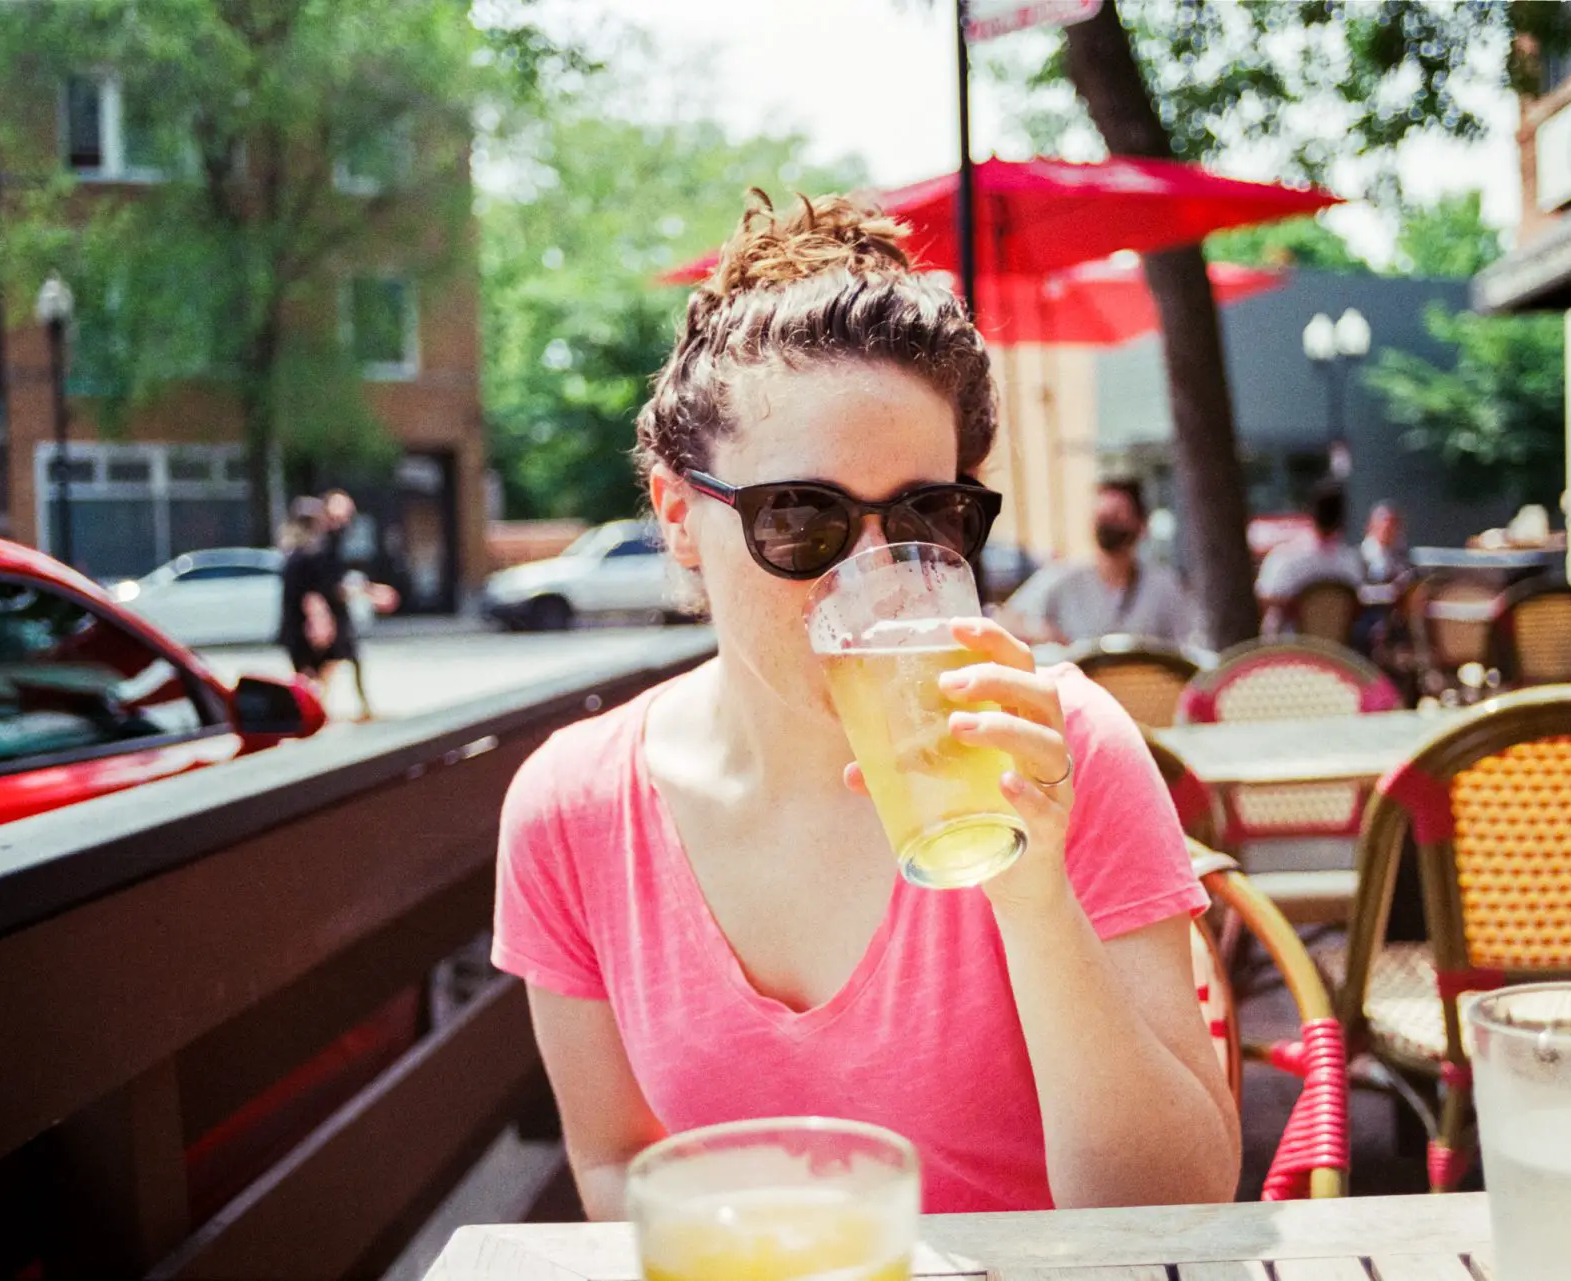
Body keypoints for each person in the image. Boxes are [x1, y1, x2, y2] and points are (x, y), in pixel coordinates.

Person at [491, 192, 1238, 1219]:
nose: (878, 579)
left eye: (928, 515)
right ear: (677, 516)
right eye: (804, 517)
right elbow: (618, 1162)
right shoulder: (574, 812)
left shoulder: (1053, 747)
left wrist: (1032, 895)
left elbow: (1178, 1211)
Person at [1001, 480, 1198, 649]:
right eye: (1102, 517)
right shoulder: (1063, 577)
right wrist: (1044, 634)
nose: (1108, 524)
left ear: (1141, 526)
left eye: (1117, 516)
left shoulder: (1163, 585)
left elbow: (1189, 641)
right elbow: (1006, 619)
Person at [319, 490, 399, 721]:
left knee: (346, 659)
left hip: (337, 612)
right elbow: (330, 582)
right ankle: (321, 706)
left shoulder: (338, 541)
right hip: (327, 612)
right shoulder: (324, 542)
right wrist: (367, 592)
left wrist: (366, 590)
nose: (345, 518)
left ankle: (355, 706)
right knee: (330, 662)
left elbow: (341, 578)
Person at [1255, 480, 1365, 636]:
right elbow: (1356, 607)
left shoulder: (1286, 557)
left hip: (1293, 648)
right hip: (1338, 652)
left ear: (1310, 513)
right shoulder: (1351, 561)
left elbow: (1265, 598)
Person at [277, 497, 338, 682]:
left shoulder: (289, 553)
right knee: (313, 677)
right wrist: (320, 624)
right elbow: (311, 596)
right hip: (307, 625)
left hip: (293, 623)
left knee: (305, 675)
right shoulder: (311, 555)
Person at [1360, 500, 1412, 586]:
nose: (1387, 528)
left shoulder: (1402, 558)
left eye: (1393, 525)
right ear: (1371, 525)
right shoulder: (1358, 557)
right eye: (1382, 521)